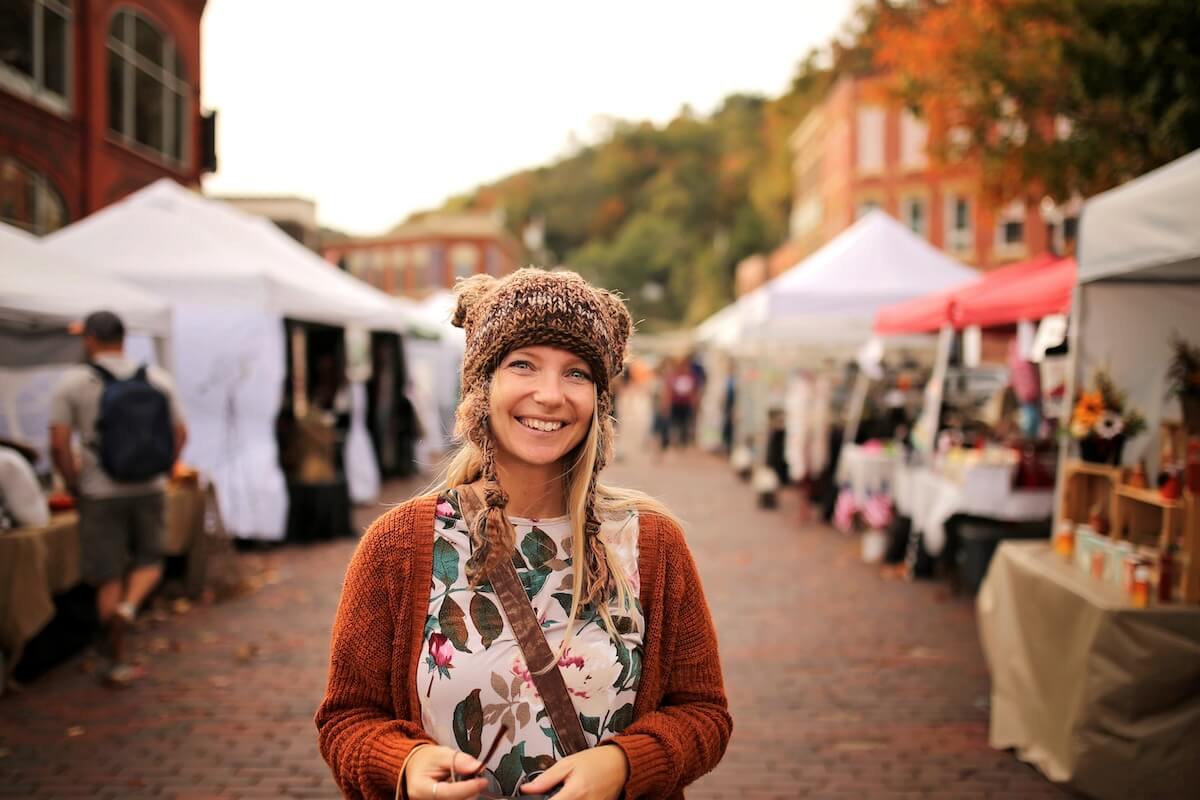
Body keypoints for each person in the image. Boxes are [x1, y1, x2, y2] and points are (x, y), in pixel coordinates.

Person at [317, 268, 730, 799]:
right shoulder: (401, 544)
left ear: (600, 400)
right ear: (482, 386)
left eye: (577, 373)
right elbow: (346, 717)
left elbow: (704, 713)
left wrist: (625, 764)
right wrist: (405, 762)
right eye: (523, 365)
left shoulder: (648, 542)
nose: (550, 395)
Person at [49, 311, 187, 684]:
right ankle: (128, 608)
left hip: (99, 490)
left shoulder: (74, 382)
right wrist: (164, 468)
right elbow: (181, 431)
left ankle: (117, 658)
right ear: (124, 338)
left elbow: (59, 444)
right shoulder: (156, 378)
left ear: (90, 339)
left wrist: (74, 483)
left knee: (108, 573)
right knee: (151, 559)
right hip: (150, 487)